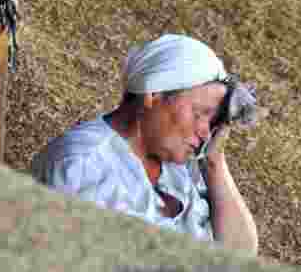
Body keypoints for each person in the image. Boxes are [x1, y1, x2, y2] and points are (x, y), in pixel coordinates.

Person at [30, 34, 259, 255]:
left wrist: (213, 162)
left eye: (214, 121)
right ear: (153, 94)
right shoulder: (82, 166)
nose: (205, 131)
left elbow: (241, 252)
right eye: (201, 113)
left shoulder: (182, 167)